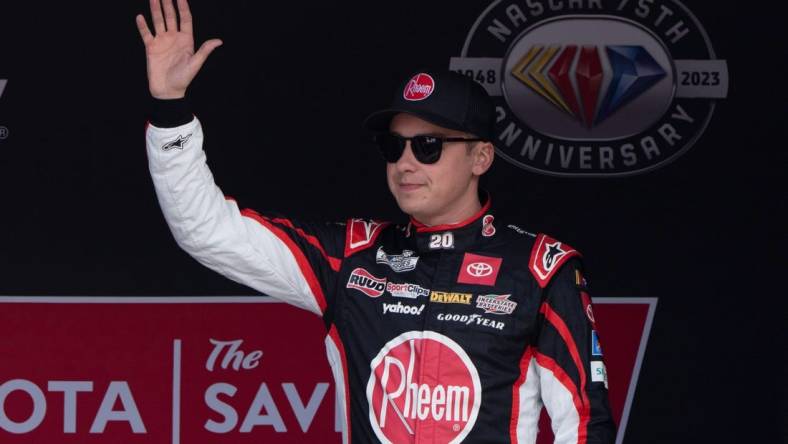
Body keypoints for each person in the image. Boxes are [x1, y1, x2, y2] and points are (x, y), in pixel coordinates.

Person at [137, 0, 616, 442]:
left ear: (480, 157)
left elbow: (584, 424)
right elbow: (206, 231)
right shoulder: (352, 257)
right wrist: (170, 108)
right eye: (394, 147)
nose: (405, 163)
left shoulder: (540, 269)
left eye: (427, 147)